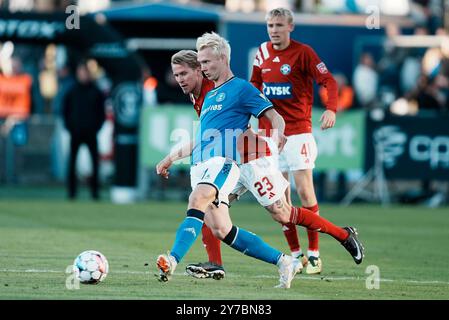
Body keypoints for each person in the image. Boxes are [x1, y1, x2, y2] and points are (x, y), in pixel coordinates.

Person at [156, 33, 365, 287]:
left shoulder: (224, 85)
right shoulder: (200, 97)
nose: (180, 80)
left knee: (282, 213)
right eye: (177, 76)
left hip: (252, 157)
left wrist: (278, 132)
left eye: (185, 74)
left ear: (200, 69)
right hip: (227, 162)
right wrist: (171, 157)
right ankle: (216, 264)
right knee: (209, 211)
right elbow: (206, 135)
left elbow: (263, 112)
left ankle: (344, 235)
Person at [156, 32, 301, 289]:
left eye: (205, 63)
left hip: (223, 163)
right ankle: (284, 261)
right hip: (201, 166)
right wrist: (170, 158)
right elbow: (201, 138)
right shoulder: (208, 98)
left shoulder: (237, 88)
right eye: (200, 63)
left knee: (197, 200)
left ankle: (172, 259)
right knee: (222, 230)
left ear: (220, 59)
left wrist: (279, 133)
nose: (203, 68)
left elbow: (272, 115)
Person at [250, 8, 339, 274]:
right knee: (279, 197)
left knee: (304, 190)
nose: (274, 30)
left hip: (298, 132)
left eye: (278, 25)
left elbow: (329, 81)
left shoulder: (304, 53)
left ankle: (314, 254)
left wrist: (331, 108)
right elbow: (254, 86)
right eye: (270, 25)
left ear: (291, 27)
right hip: (269, 135)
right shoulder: (262, 52)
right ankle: (295, 253)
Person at [62, 60, 106, 200]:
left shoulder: (96, 91)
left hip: (91, 132)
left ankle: (94, 192)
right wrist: (70, 127)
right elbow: (65, 111)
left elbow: (101, 112)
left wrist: (96, 127)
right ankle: (71, 192)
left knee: (94, 163)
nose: (83, 75)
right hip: (75, 132)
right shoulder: (72, 91)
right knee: (72, 163)